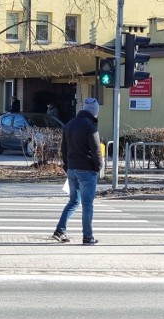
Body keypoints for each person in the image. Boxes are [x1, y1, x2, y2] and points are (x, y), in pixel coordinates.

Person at [52, 98, 104, 245]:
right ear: (94, 111)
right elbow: (96, 150)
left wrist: (67, 166)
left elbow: (64, 148)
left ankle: (60, 230)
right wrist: (98, 166)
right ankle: (88, 237)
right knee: (87, 205)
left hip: (72, 169)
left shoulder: (69, 124)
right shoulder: (91, 127)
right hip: (86, 170)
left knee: (73, 201)